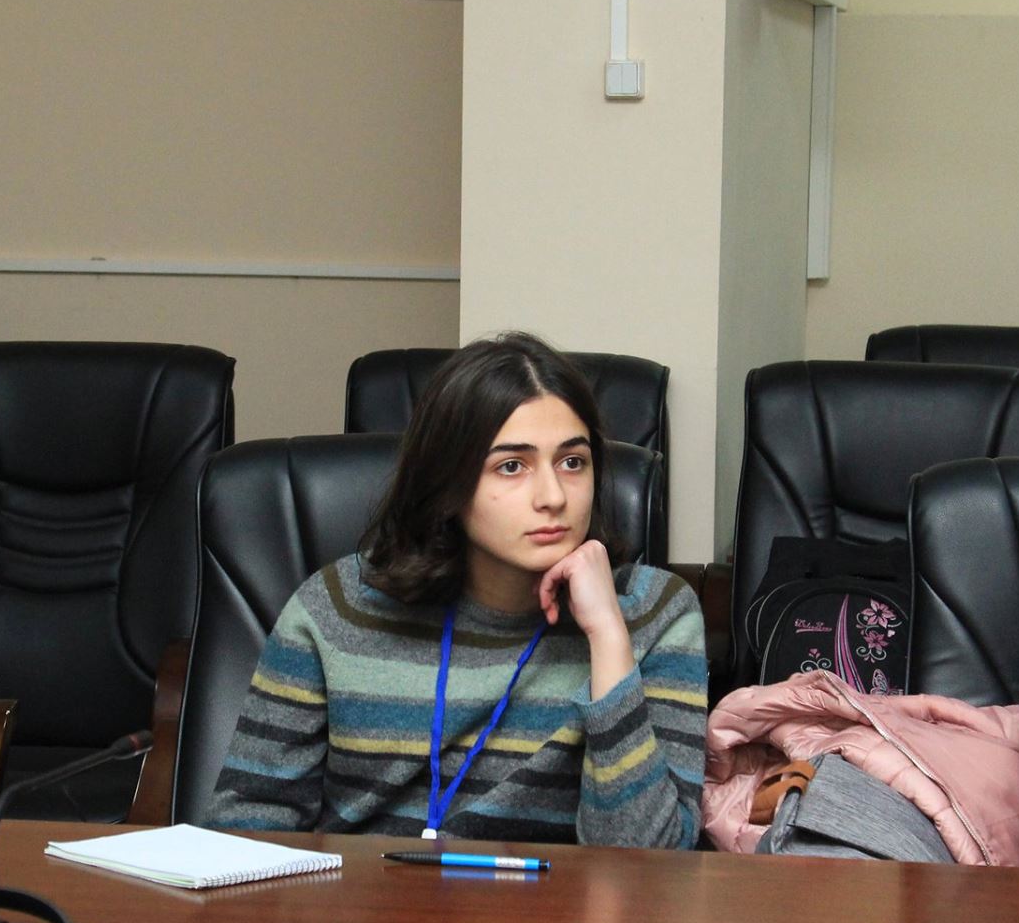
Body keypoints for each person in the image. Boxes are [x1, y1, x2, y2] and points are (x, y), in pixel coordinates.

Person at [208, 332, 707, 847]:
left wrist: (607, 636)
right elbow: (241, 832)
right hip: (362, 894)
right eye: (511, 466)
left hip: (557, 901)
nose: (553, 496)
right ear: (447, 482)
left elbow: (649, 861)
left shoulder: (656, 613)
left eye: (572, 462)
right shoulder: (336, 609)